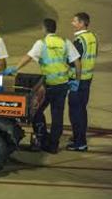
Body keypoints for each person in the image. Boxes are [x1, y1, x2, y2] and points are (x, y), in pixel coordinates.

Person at [6, 17, 81, 153]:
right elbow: (77, 62)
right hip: (63, 85)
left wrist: (15, 68)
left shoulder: (41, 43)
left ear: (44, 29)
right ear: (55, 29)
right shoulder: (65, 42)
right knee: (57, 116)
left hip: (48, 86)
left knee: (36, 111)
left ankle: (42, 138)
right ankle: (53, 145)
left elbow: (28, 57)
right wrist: (77, 80)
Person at [67, 11, 98, 151]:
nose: (72, 23)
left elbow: (73, 61)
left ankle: (80, 143)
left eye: (74, 21)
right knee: (82, 110)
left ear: (81, 23)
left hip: (77, 80)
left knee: (75, 112)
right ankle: (79, 136)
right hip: (88, 78)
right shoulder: (92, 37)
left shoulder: (79, 41)